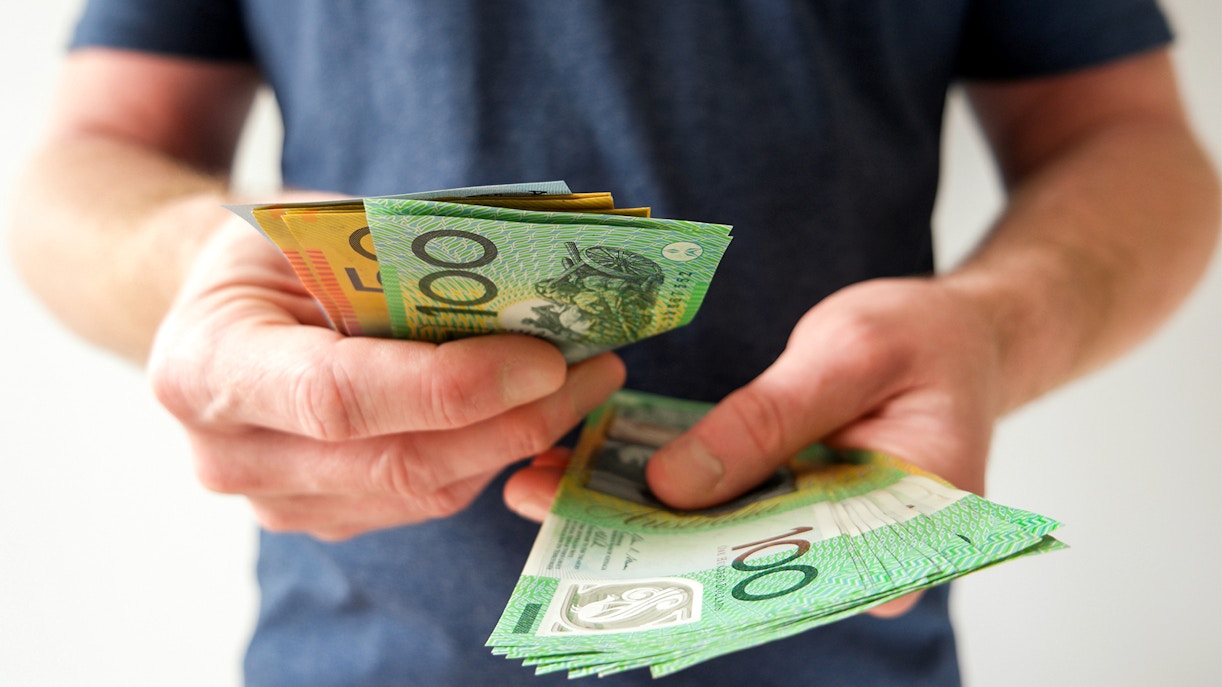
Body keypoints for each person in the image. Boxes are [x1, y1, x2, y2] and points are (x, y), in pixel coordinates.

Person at [8, 1, 1218, 685]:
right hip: (358, 652)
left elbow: (1127, 138)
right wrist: (203, 280)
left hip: (846, 655)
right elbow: (86, 155)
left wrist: (1002, 325)